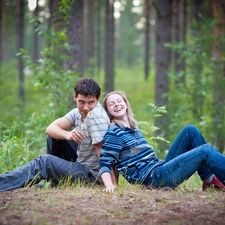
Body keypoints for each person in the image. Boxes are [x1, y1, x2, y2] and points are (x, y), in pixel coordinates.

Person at [99, 90, 225, 193]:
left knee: (190, 131)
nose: (116, 104)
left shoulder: (134, 128)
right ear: (108, 112)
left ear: (126, 104)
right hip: (152, 179)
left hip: (158, 168)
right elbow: (105, 162)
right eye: (111, 104)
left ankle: (209, 180)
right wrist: (109, 185)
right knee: (205, 150)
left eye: (119, 101)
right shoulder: (114, 132)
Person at [0, 78, 111, 192]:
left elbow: (104, 154)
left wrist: (109, 183)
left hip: (92, 175)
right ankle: (55, 181)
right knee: (54, 137)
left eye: (91, 102)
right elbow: (50, 128)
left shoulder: (96, 117)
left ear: (98, 99)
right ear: (75, 97)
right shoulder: (78, 113)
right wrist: (67, 134)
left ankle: (2, 183)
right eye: (81, 102)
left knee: (44, 162)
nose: (86, 107)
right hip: (82, 164)